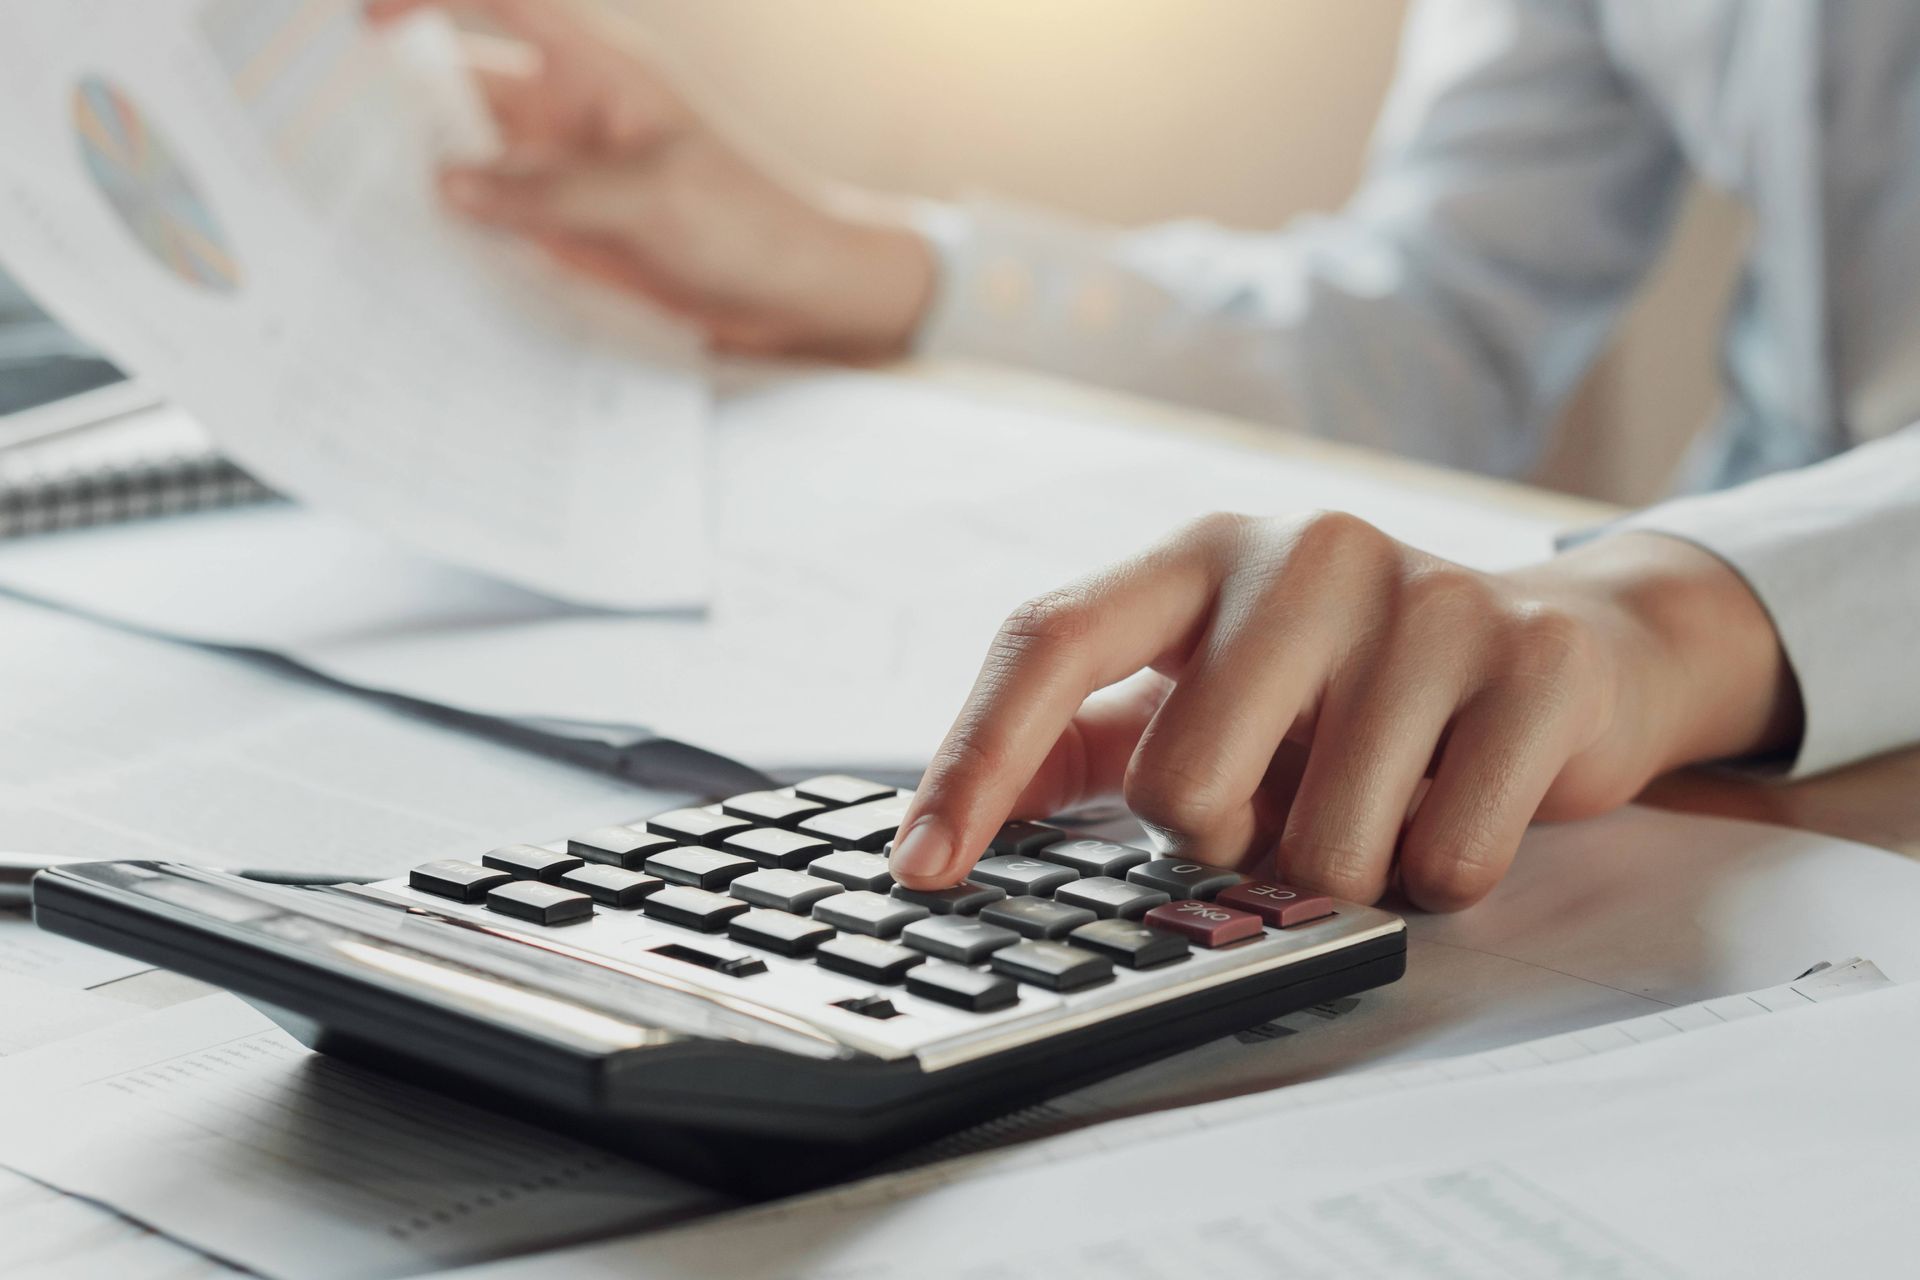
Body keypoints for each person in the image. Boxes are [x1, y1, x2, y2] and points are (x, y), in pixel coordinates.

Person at [371, 0, 1919, 910]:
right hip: (1692, 784)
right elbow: (1439, 332)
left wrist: (1676, 613)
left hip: (1719, 698)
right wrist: (852, 263)